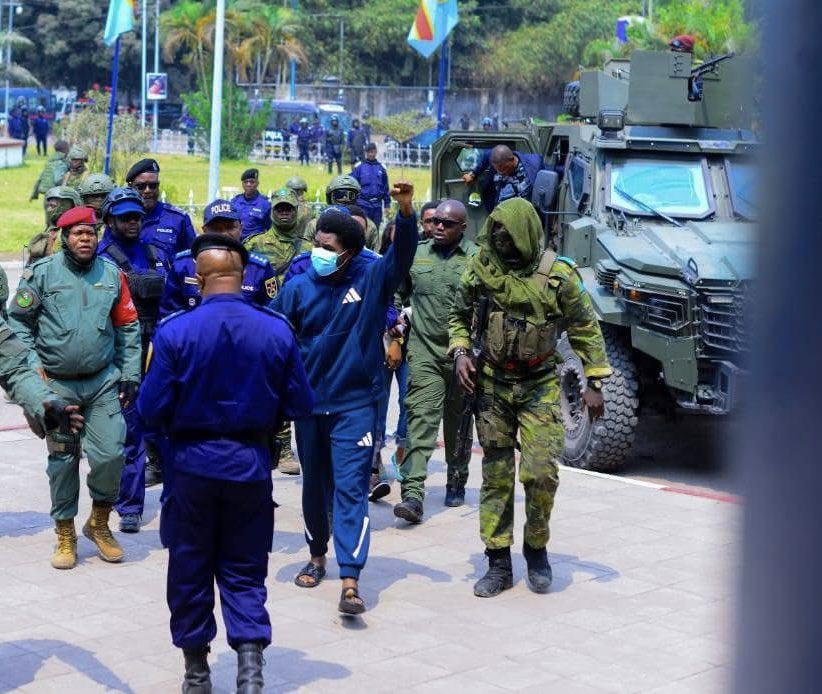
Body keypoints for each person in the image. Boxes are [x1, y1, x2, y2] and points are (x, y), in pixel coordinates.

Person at [137, 233, 313, 694]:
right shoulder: (276, 329)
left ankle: (197, 673)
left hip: (190, 467)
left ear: (198, 278)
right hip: (249, 465)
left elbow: (150, 407)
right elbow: (300, 403)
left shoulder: (175, 330)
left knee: (190, 567)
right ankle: (250, 671)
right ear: (242, 274)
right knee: (244, 568)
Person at [448, 198, 611, 597]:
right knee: (497, 475)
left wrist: (594, 383)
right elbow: (459, 316)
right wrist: (461, 352)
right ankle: (498, 562)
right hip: (492, 384)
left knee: (540, 473)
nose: (501, 243)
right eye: (496, 235)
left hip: (540, 383)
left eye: (508, 236)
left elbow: (585, 327)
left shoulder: (559, 275)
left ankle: (536, 549)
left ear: (526, 233)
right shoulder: (482, 267)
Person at [271, 182, 418, 615]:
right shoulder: (298, 287)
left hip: (355, 406)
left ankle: (350, 578)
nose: (318, 252)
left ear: (349, 253)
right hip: (309, 407)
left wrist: (405, 212)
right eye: (316, 243)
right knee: (315, 488)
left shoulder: (371, 280)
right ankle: (317, 556)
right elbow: (271, 334)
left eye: (327, 247)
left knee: (352, 489)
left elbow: (402, 255)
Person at [8, 206, 142, 570]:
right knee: (63, 459)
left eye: (91, 233)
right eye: (78, 234)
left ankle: (99, 523)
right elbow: (17, 324)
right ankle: (65, 533)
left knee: (112, 454)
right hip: (56, 386)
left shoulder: (112, 274)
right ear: (64, 238)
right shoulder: (41, 274)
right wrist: (33, 370)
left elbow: (128, 326)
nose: (86, 239)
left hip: (102, 383)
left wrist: (131, 373)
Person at [392, 200, 479, 524]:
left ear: (463, 228)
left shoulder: (477, 259)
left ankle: (456, 478)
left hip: (464, 358)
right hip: (425, 353)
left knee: (458, 424)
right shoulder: (416, 254)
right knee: (421, 420)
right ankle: (413, 494)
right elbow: (397, 294)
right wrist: (396, 325)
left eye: (448, 223)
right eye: (436, 221)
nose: (439, 226)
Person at [97, 188, 168, 533]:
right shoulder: (100, 259)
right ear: (109, 220)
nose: (132, 222)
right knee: (129, 431)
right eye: (124, 217)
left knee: (164, 426)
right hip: (120, 353)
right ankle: (129, 505)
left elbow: (172, 301)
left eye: (136, 217)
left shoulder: (156, 253)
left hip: (157, 351)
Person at [244, 189, 312, 476]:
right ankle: (276, 445)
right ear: (271, 211)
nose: (284, 212)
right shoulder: (255, 244)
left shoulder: (309, 247)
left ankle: (294, 447)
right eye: (280, 208)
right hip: (266, 324)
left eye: (289, 208)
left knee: (296, 385)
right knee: (270, 385)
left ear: (297, 211)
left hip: (302, 326)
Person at [163, 198, 277, 316]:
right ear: (204, 231)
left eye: (230, 227)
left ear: (241, 228)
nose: (224, 234)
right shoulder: (183, 265)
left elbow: (271, 315)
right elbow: (168, 313)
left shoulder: (260, 268)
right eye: (216, 229)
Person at [126, 158, 197, 258]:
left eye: (153, 186)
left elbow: (191, 259)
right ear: (130, 187)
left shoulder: (178, 219)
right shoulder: (121, 218)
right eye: (141, 186)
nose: (147, 190)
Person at [462, 144, 546, 214]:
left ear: (512, 159)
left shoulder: (534, 163)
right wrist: (473, 174)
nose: (501, 172)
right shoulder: (496, 158)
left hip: (523, 213)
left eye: (504, 168)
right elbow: (488, 155)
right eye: (498, 169)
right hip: (499, 212)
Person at [25, 186, 82, 265]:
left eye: (53, 206)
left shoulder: (81, 232)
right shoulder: (49, 232)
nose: (49, 210)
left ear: (67, 206)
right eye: (48, 206)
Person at [351, 143, 391, 229]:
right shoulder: (359, 167)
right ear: (366, 153)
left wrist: (387, 205)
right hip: (362, 205)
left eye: (373, 152)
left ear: (376, 152)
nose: (371, 154)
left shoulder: (381, 168)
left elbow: (385, 188)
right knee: (362, 230)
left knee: (375, 230)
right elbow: (352, 185)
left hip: (377, 206)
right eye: (369, 152)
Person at [231, 168, 272, 242]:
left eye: (252, 182)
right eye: (246, 182)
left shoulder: (265, 204)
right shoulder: (235, 201)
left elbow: (270, 228)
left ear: (257, 183)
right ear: (242, 184)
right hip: (236, 243)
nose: (248, 184)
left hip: (255, 244)